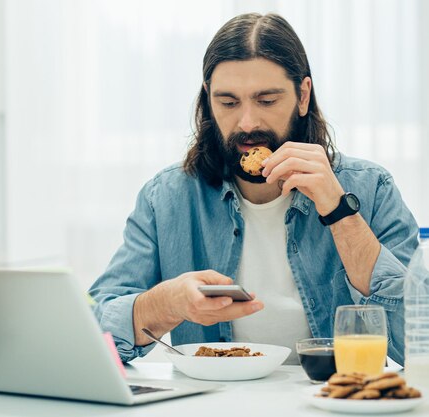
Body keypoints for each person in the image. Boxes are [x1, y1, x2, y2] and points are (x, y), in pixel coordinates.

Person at [88, 13, 419, 365]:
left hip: (332, 399)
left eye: (267, 100)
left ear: (303, 96)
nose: (247, 123)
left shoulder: (370, 188)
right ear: (208, 101)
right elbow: (91, 334)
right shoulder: (166, 198)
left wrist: (339, 213)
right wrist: (166, 303)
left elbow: (416, 340)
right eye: (228, 103)